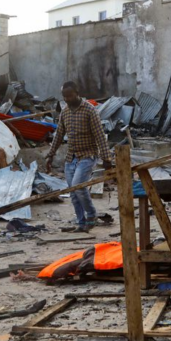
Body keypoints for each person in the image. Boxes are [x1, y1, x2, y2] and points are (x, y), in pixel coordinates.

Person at [46, 82, 112, 233]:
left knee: (79, 186)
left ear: (77, 93)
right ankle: (81, 223)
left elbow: (100, 136)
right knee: (73, 192)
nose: (67, 99)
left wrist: (107, 158)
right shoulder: (65, 112)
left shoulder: (90, 110)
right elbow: (58, 136)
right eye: (64, 96)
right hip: (71, 157)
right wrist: (50, 155)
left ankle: (92, 214)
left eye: (70, 95)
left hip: (88, 155)